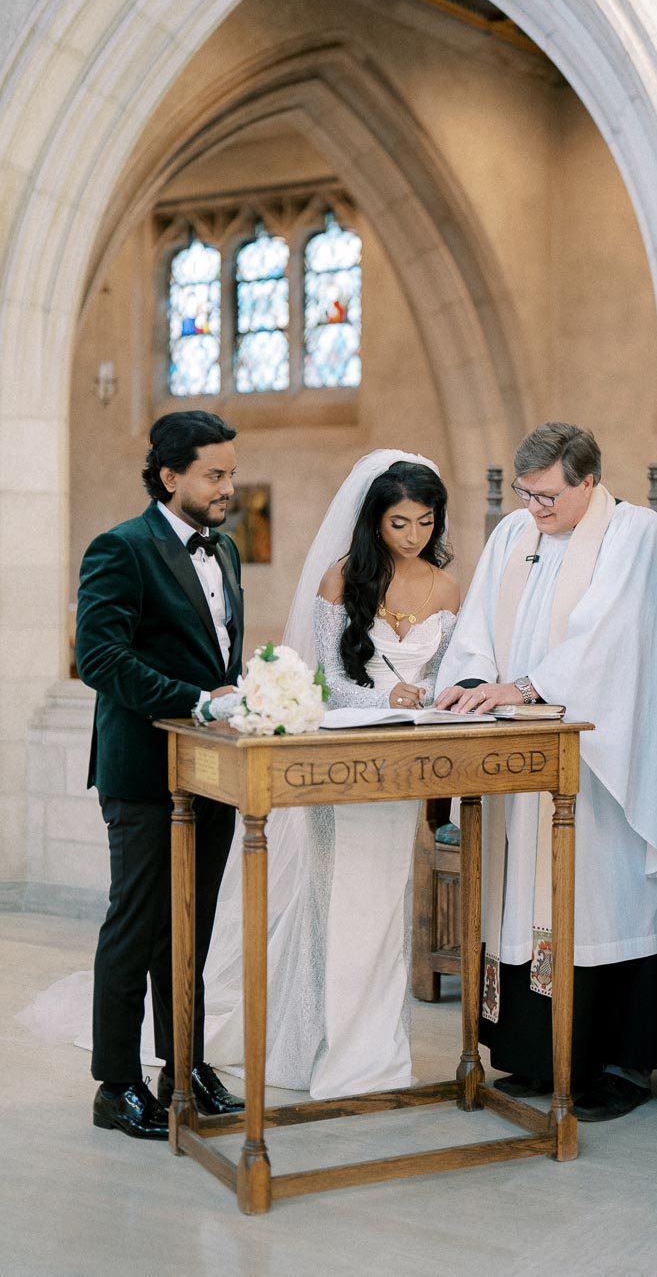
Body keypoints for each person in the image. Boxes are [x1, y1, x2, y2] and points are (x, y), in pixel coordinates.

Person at [435, 422, 657, 1121]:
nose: (535, 509)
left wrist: (525, 687)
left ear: (589, 481)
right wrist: (470, 682)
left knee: (598, 902)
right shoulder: (512, 537)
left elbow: (611, 639)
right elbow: (475, 632)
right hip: (519, 763)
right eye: (527, 494)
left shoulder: (634, 534)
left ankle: (619, 1064)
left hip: (602, 766)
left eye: (549, 495)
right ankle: (536, 1053)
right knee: (522, 899)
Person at [202, 450, 459, 1098]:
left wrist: (432, 698)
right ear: (375, 521)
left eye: (425, 523)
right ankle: (317, 1047)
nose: (413, 537)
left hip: (404, 769)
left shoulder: (447, 588)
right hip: (339, 763)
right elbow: (330, 685)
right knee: (331, 904)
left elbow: (451, 678)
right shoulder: (339, 582)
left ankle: (375, 1056)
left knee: (384, 904)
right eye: (400, 523)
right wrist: (388, 699)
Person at [73, 410, 246, 1139]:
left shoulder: (226, 551)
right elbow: (100, 659)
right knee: (137, 927)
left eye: (231, 473)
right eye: (215, 474)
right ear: (170, 476)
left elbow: (218, 656)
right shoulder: (121, 548)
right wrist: (197, 701)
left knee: (192, 929)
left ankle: (184, 1067)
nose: (228, 487)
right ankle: (116, 1085)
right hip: (143, 772)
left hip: (211, 774)